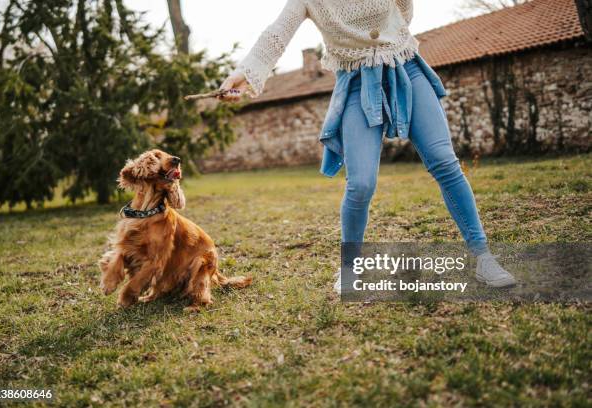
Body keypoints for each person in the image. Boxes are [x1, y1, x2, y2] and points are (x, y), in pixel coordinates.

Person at [219, 0, 516, 290]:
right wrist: (243, 74)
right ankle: (350, 267)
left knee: (444, 161)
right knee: (360, 184)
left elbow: (403, 10)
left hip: (405, 67)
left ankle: (483, 258)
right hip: (356, 81)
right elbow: (277, 33)